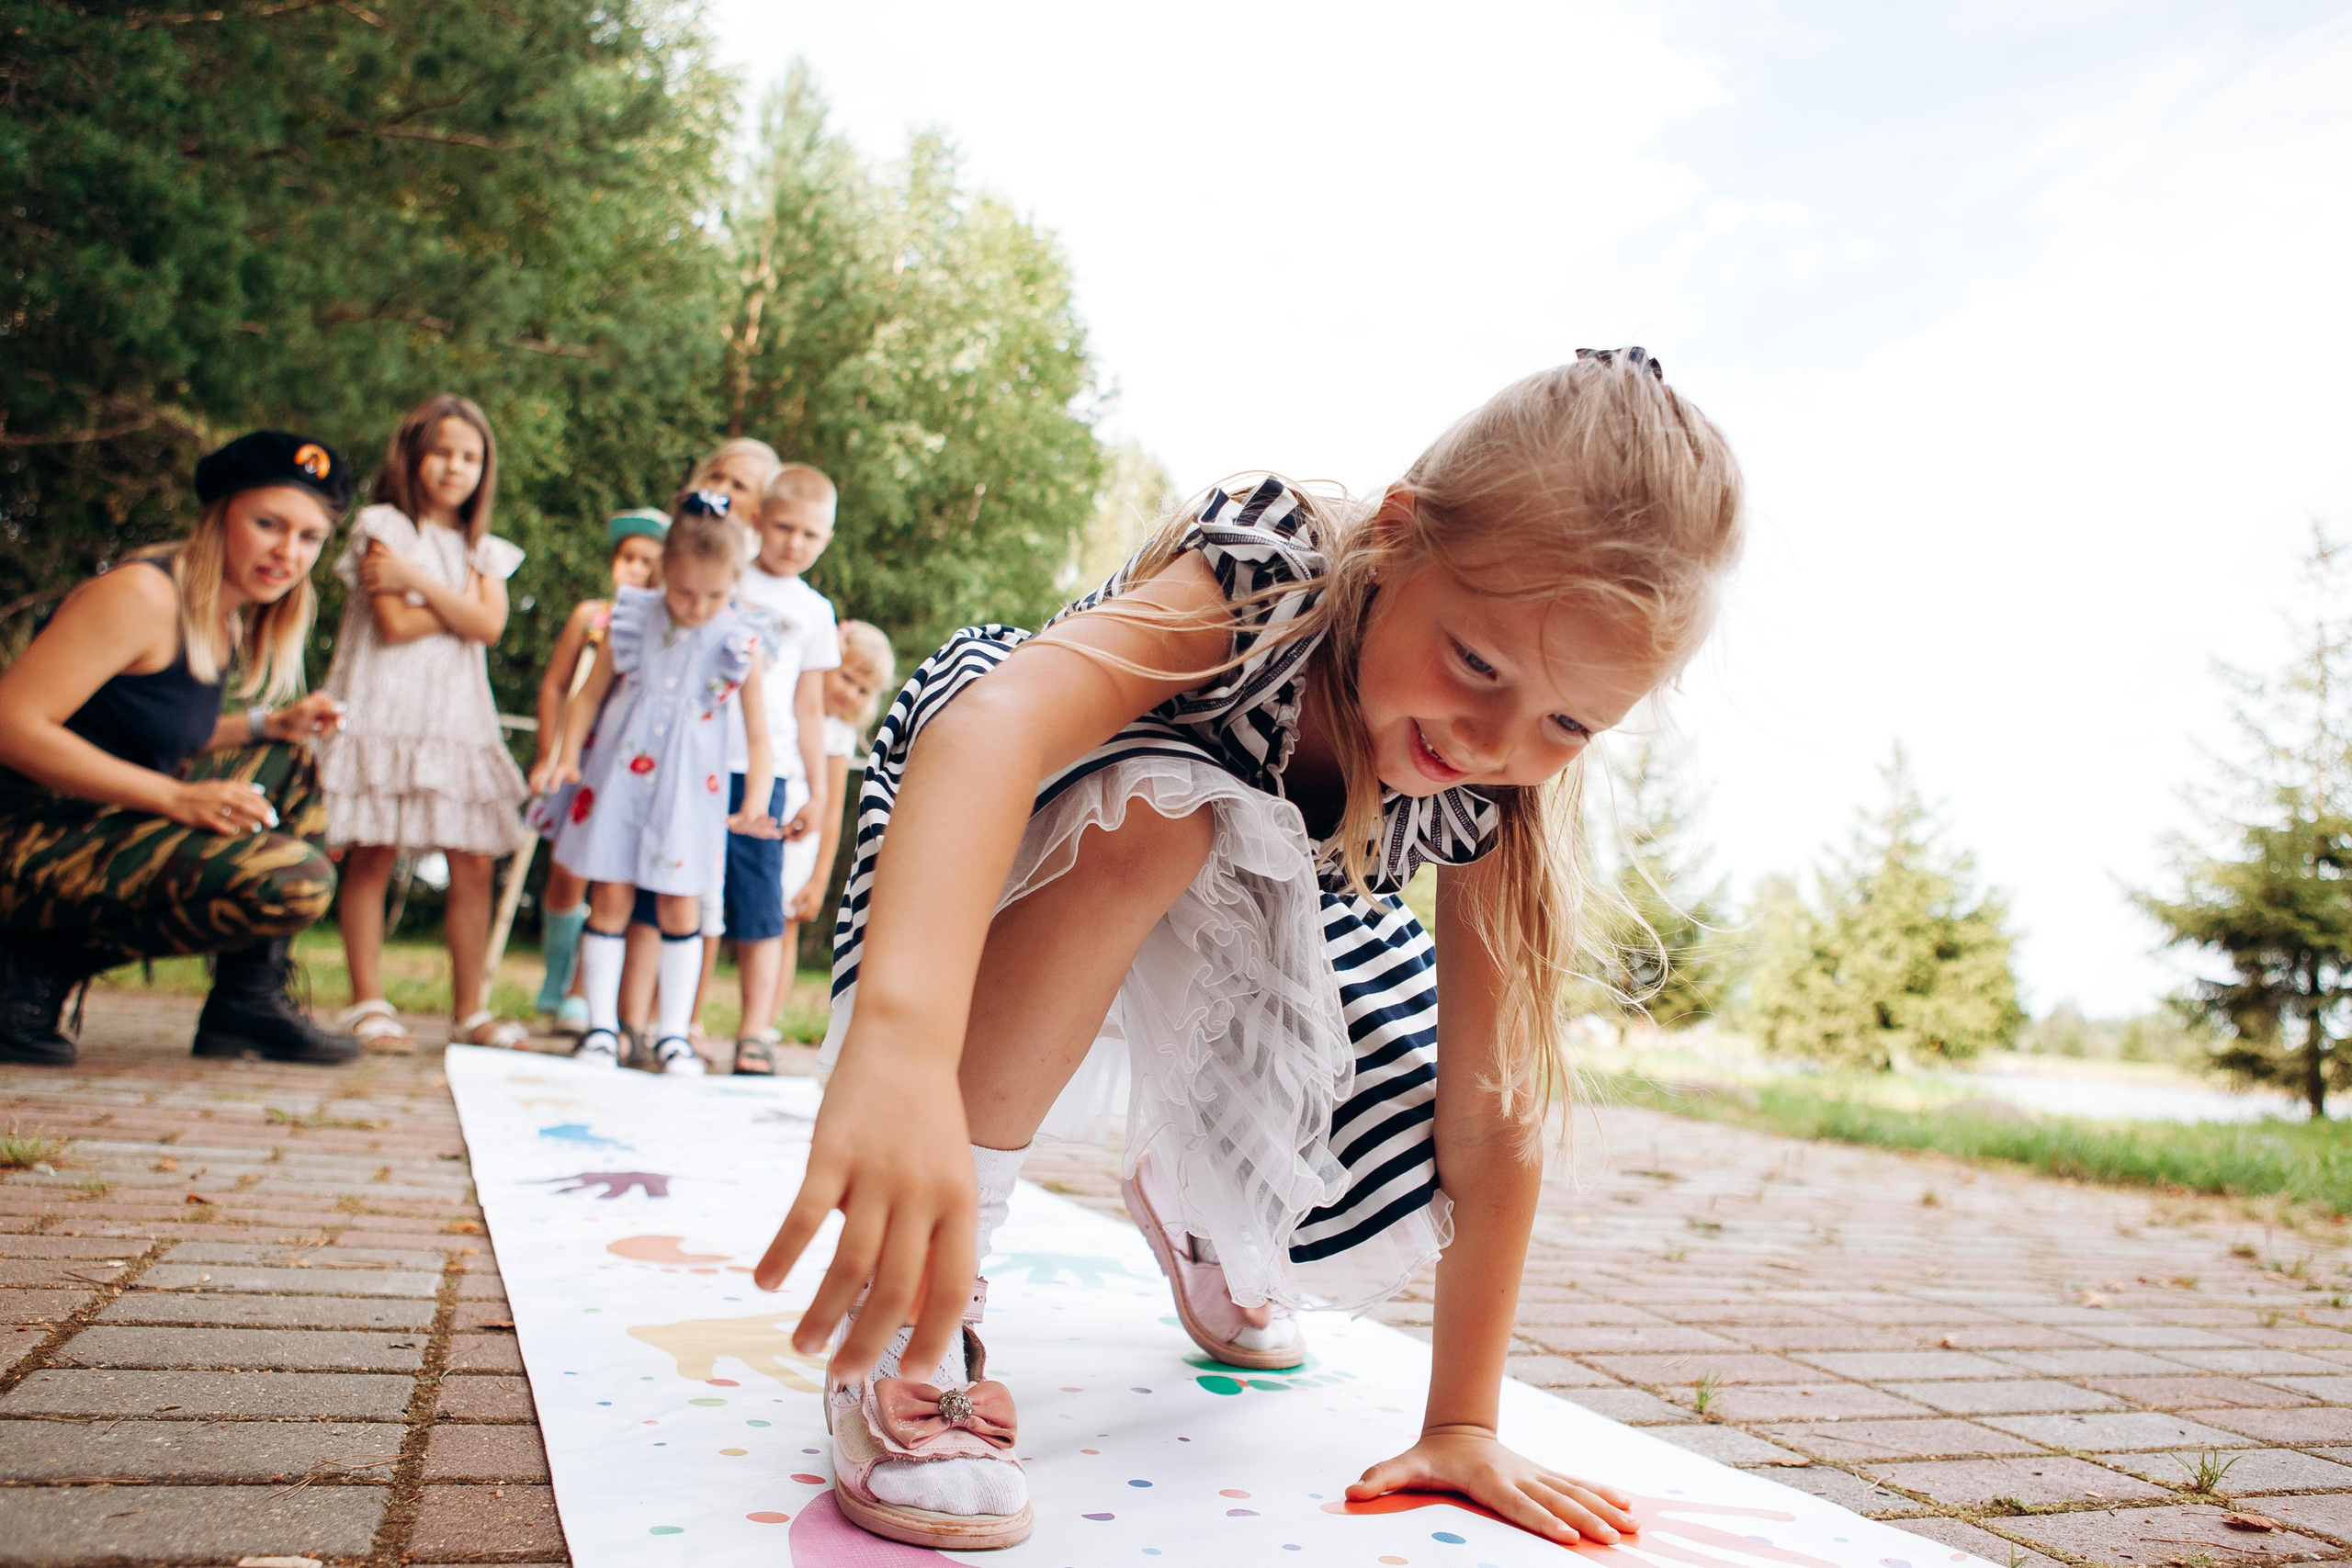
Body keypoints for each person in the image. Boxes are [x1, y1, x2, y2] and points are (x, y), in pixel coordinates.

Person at [754, 351, 1746, 1552]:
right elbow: (992, 729)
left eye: (1569, 722)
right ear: (1397, 542)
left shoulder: (1488, 783)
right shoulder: (1270, 573)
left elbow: (1491, 1107)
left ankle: (1210, 1197)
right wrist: (903, 1049)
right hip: (1023, 831)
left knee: (1386, 1061)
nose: (1492, 736)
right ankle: (920, 1299)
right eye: (1478, 662)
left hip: (1256, 918)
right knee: (1167, 813)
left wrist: (1465, 1420)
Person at [0, 431, 364, 1067]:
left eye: (309, 537)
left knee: (292, 761)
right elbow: (11, 722)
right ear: (220, 513)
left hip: (81, 825)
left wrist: (266, 727)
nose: (287, 550)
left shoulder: (222, 615)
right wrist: (174, 796)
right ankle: (29, 965)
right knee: (297, 880)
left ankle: (246, 1000)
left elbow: (156, 732)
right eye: (268, 523)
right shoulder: (144, 594)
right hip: (23, 838)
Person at [531, 505, 782, 1075]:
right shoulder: (630, 618)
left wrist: (756, 801)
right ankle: (601, 1027)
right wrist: (567, 756)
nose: (696, 607)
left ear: (732, 585)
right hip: (619, 782)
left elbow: (761, 736)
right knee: (611, 895)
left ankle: (674, 1034)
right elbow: (588, 696)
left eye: (712, 596)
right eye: (684, 592)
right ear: (665, 573)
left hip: (691, 792)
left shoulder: (739, 639)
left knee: (679, 902)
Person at [316, 394, 532, 1054]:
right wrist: (455, 604)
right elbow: (395, 623)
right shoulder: (384, 525)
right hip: (385, 706)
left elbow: (490, 626)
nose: (454, 467)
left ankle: (471, 1009)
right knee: (373, 851)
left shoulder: (485, 551)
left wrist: (418, 581)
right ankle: (367, 1002)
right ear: (412, 456)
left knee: (470, 861)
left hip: (456, 718)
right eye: (441, 452)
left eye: (470, 457)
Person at [613, 439, 788, 1053]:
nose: (732, 493)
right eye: (722, 479)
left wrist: (769, 792)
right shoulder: (658, 604)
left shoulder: (759, 618)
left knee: (717, 904)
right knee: (641, 896)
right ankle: (628, 1024)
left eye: (747, 485)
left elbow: (777, 721)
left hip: (731, 771)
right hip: (656, 767)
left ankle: (690, 1028)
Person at [528, 508, 669, 1033]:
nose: (635, 570)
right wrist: (550, 752)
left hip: (623, 760)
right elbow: (556, 687)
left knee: (606, 871)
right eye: (628, 558)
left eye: (648, 563)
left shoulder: (661, 628)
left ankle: (582, 993)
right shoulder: (592, 617)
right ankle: (556, 971)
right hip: (576, 755)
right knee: (566, 867)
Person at [722, 464, 839, 1077]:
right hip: (707, 759)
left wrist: (817, 792)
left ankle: (753, 1030)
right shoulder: (726, 577)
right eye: (784, 527)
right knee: (687, 894)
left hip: (771, 775)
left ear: (827, 539)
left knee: (760, 904)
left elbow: (811, 707)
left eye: (811, 535)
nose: (795, 542)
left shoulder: (815, 611)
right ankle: (672, 1024)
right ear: (760, 522)